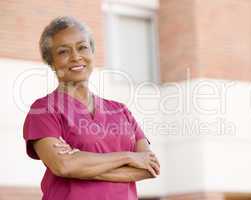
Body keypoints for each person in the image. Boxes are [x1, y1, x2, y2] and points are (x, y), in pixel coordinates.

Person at [23, 16, 160, 200]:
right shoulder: (43, 110)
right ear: (51, 62)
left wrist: (81, 164)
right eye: (63, 51)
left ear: (92, 52)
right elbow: (63, 166)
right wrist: (128, 157)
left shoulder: (120, 110)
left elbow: (150, 168)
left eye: (82, 47)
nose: (76, 56)